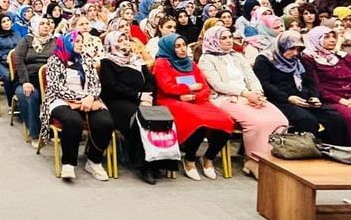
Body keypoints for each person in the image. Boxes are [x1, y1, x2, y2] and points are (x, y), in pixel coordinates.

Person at [197, 26, 287, 177]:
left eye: (230, 37)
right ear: (213, 40)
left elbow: (251, 77)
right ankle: (253, 160)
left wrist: (257, 92)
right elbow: (218, 84)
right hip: (225, 98)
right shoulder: (206, 59)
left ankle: (271, 160)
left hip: (248, 95)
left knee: (280, 120)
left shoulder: (237, 56)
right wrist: (244, 93)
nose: (229, 40)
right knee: (257, 123)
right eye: (223, 38)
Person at [152, 34, 234, 180]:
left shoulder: (190, 63)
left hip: (196, 100)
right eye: (177, 46)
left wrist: (195, 96)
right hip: (171, 101)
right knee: (198, 121)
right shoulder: (161, 63)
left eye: (184, 45)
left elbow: (204, 87)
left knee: (226, 120)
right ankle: (189, 159)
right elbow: (166, 87)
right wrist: (187, 88)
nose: (182, 49)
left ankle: (208, 158)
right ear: (169, 48)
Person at [253, 31, 349, 145]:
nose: (295, 53)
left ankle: (334, 150)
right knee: (307, 120)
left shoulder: (298, 59)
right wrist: (288, 98)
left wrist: (314, 96)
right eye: (292, 49)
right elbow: (264, 84)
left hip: (302, 98)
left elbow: (310, 81)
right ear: (282, 46)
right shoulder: (265, 59)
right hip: (280, 100)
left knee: (334, 117)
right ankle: (307, 154)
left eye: (298, 49)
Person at [41, 31, 112, 181]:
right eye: (77, 41)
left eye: (81, 41)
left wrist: (91, 97)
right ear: (67, 43)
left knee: (105, 122)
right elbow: (56, 87)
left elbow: (95, 84)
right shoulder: (55, 60)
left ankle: (94, 161)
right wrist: (81, 100)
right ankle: (68, 163)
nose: (80, 44)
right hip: (60, 99)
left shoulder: (86, 59)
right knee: (72, 121)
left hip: (88, 99)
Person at [99, 31, 159, 184]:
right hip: (118, 101)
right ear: (112, 44)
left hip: (143, 99)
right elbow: (111, 86)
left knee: (158, 118)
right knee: (140, 120)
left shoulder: (137, 61)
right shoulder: (107, 62)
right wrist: (138, 96)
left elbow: (150, 81)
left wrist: (148, 96)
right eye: (120, 40)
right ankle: (145, 166)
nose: (125, 42)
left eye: (126, 39)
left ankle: (158, 161)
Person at [300, 26, 351, 142]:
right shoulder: (309, 58)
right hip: (331, 99)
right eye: (327, 37)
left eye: (334, 37)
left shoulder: (342, 56)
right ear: (316, 39)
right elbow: (316, 86)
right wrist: (341, 100)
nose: (333, 40)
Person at [11, 16, 55, 142]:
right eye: (42, 24)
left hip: (49, 80)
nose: (46, 26)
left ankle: (51, 131)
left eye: (47, 23)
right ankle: (36, 134)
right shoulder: (27, 40)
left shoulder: (55, 41)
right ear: (35, 26)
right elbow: (18, 60)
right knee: (30, 96)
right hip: (29, 78)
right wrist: (25, 82)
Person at [0, 12, 21, 103]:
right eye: (3, 22)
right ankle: (11, 103)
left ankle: (20, 100)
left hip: (15, 61)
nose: (7, 23)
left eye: (8, 20)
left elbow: (21, 47)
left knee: (24, 73)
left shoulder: (16, 34)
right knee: (8, 76)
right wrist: (7, 58)